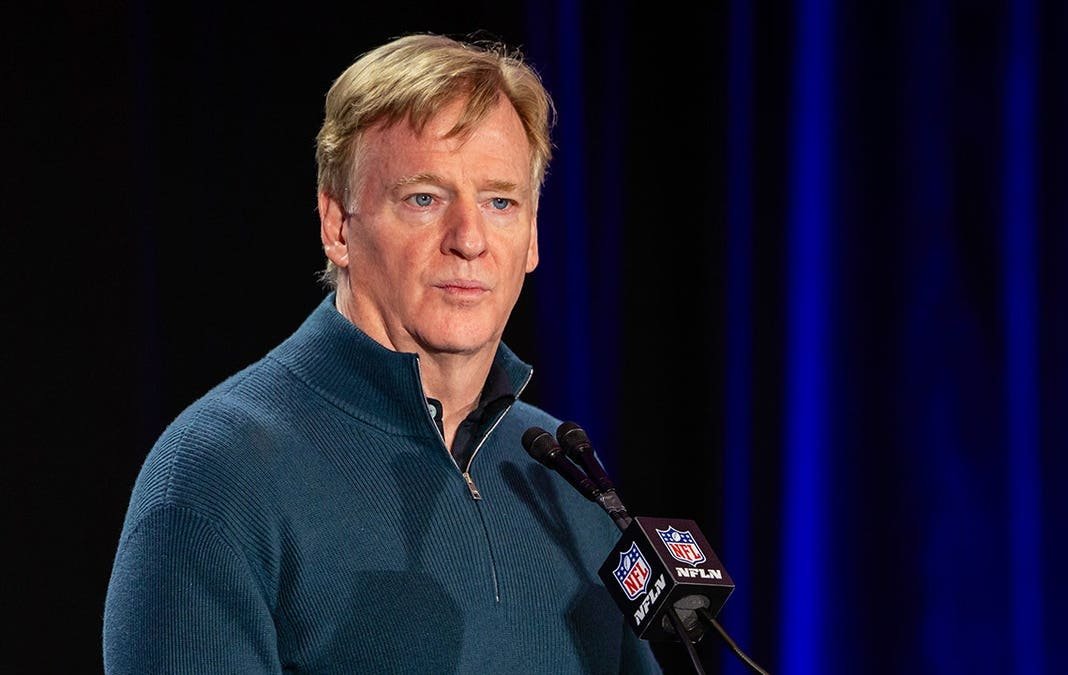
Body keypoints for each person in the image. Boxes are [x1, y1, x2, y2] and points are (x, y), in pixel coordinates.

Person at [103, 34, 661, 674]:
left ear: (532, 237)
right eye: (425, 198)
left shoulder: (562, 476)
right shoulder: (218, 472)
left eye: (500, 202)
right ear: (338, 224)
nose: (470, 239)